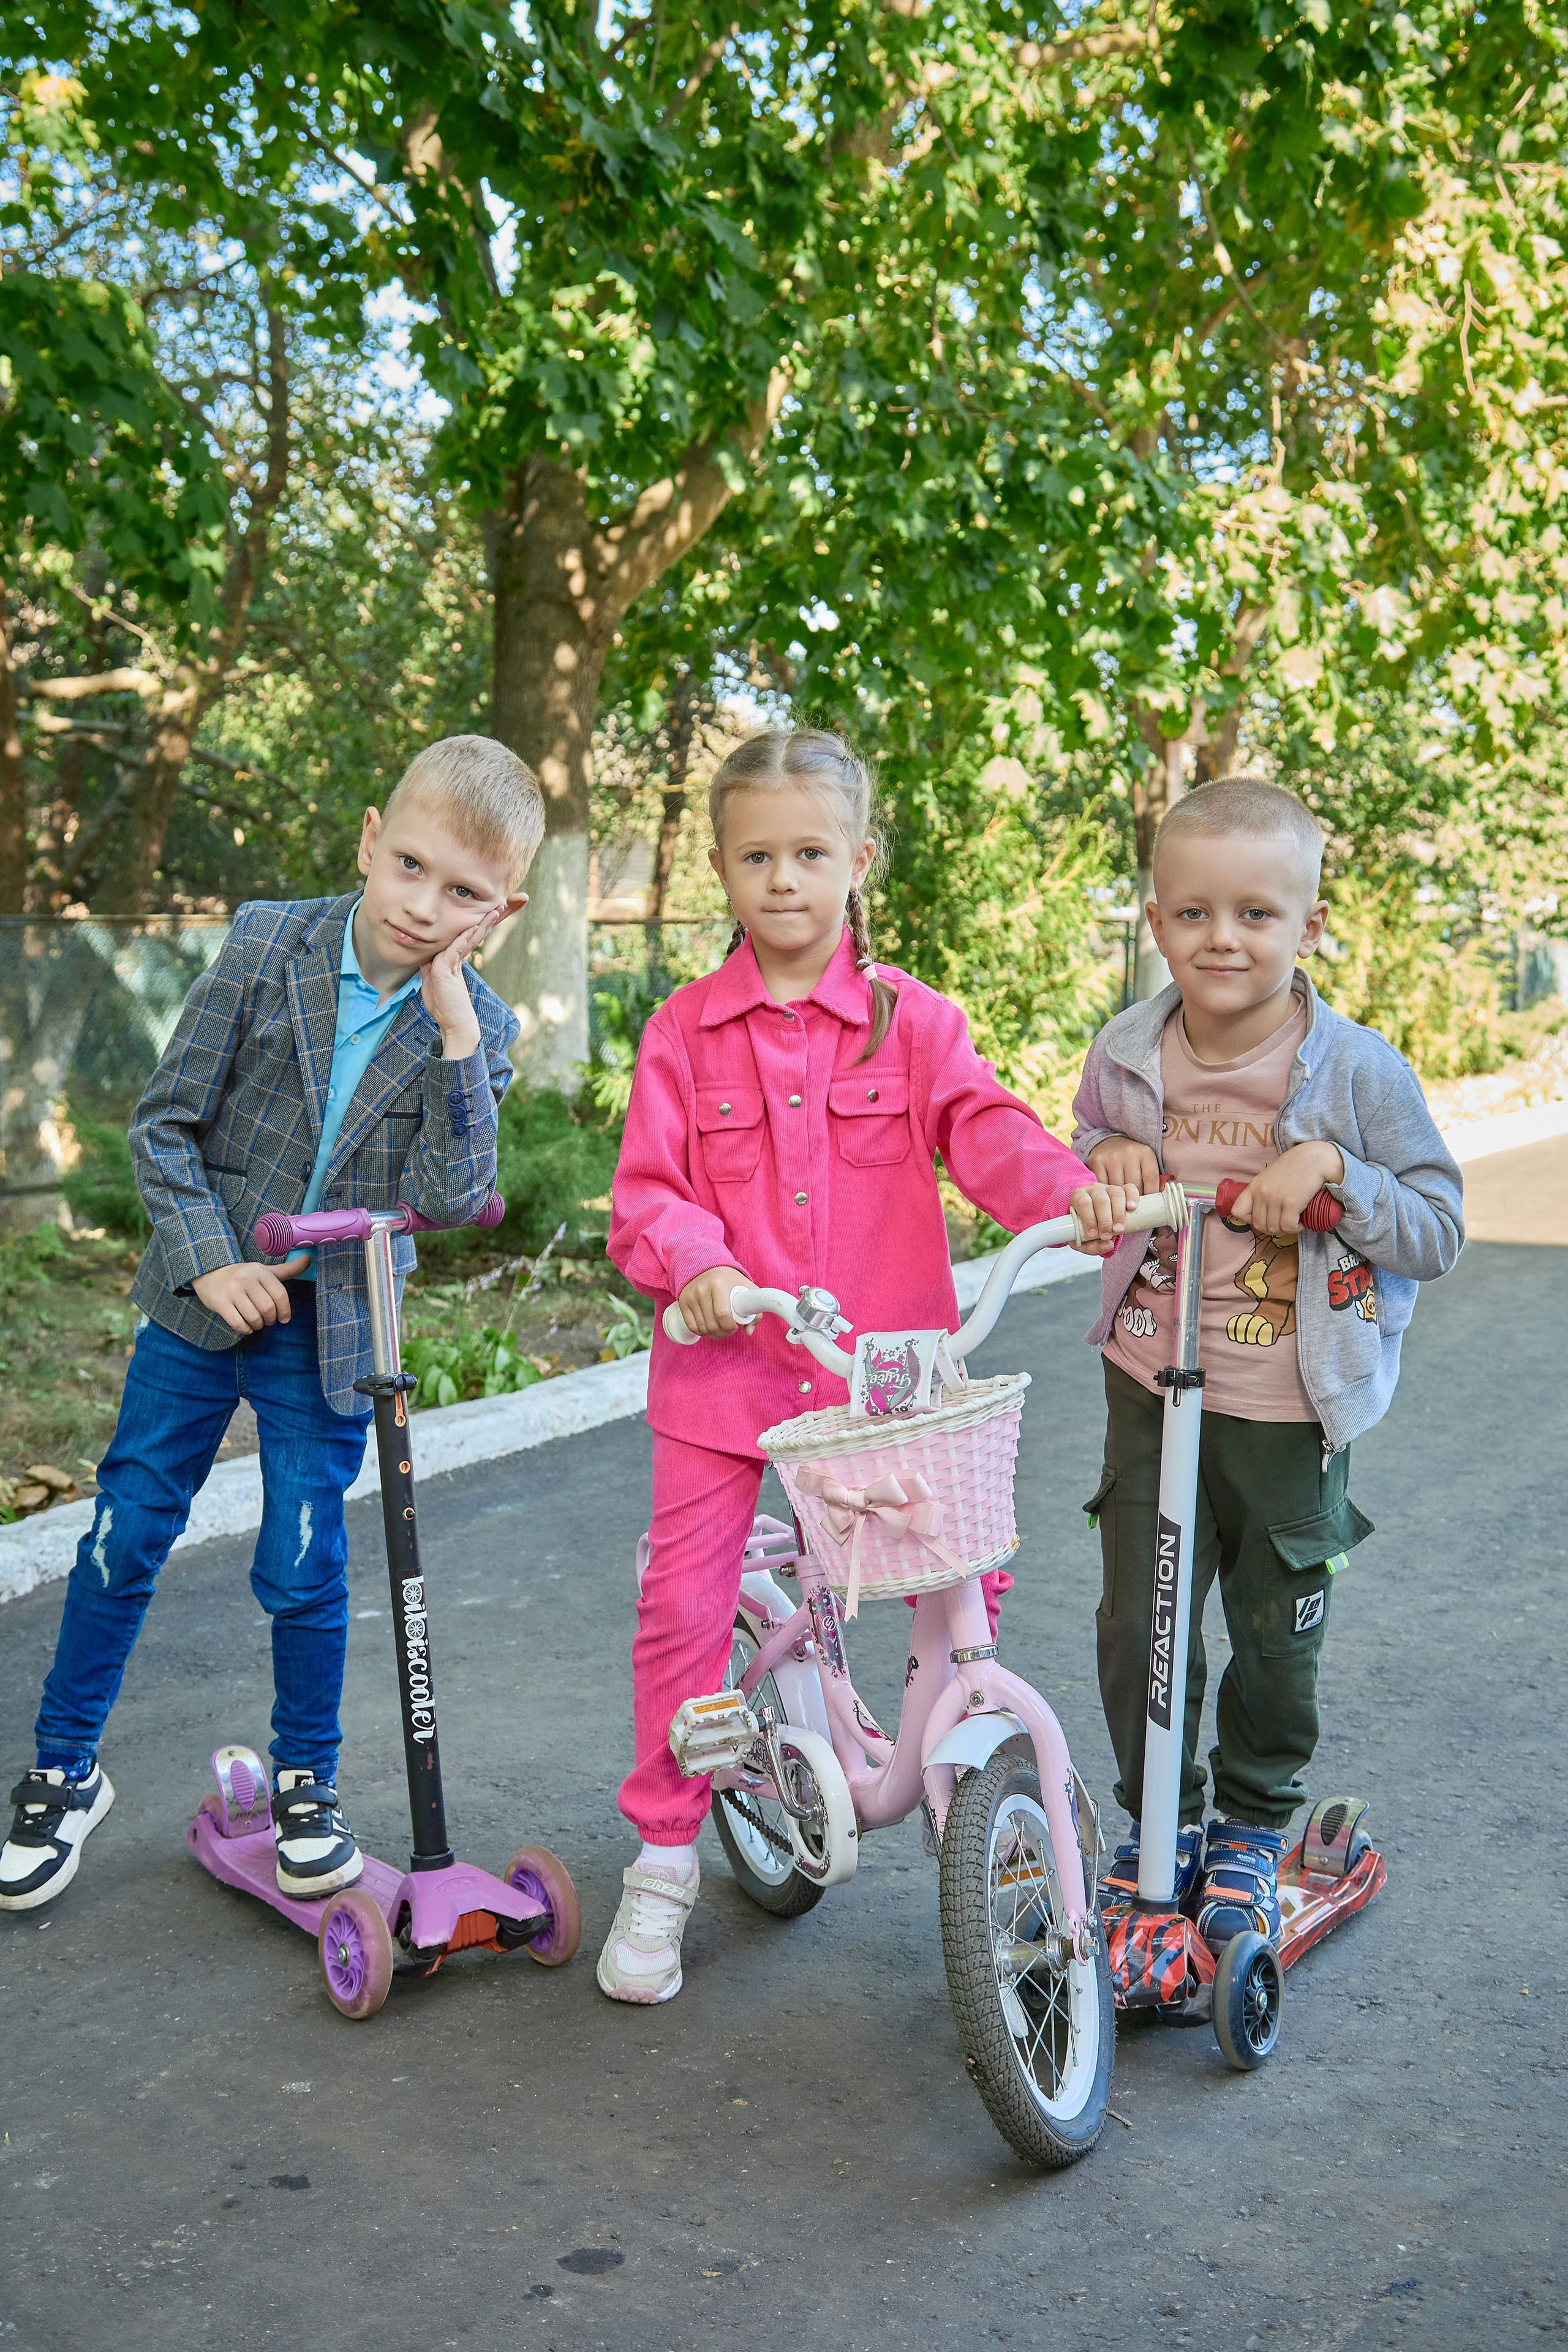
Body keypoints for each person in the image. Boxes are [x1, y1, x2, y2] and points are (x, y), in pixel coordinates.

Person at [0, 737, 542, 1913]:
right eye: (409, 866)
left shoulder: (479, 1032)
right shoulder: (266, 944)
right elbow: (164, 1127)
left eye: (463, 893)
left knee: (303, 1561)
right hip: (201, 1312)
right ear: (368, 839)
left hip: (334, 1331)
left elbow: (452, 1201)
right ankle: (61, 1770)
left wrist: (453, 1035)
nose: (423, 906)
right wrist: (209, 1267)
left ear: (503, 909)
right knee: (126, 1532)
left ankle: (308, 1782)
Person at [600, 727, 1094, 2003]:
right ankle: (661, 1858)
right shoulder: (682, 1033)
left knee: (961, 1576)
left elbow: (983, 1130)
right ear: (720, 866)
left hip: (889, 1381)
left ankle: (959, 1799)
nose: (782, 880)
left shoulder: (912, 1022)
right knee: (683, 1605)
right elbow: (648, 1193)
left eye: (808, 853)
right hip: (729, 1378)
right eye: (755, 855)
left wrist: (1075, 1198)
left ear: (857, 860)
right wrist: (695, 1264)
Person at [1069, 775, 1463, 1948]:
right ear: (1156, 920)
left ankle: (1250, 1824)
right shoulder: (1129, 1049)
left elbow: (1436, 1227)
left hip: (1290, 1404)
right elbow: (1088, 1138)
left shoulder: (1355, 1071)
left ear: (1308, 926)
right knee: (1138, 1628)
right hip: (1149, 1381)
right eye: (1193, 914)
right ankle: (1162, 1828)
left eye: (1256, 914)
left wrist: (1337, 1173)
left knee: (1274, 1632)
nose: (1222, 938)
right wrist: (1113, 1155)